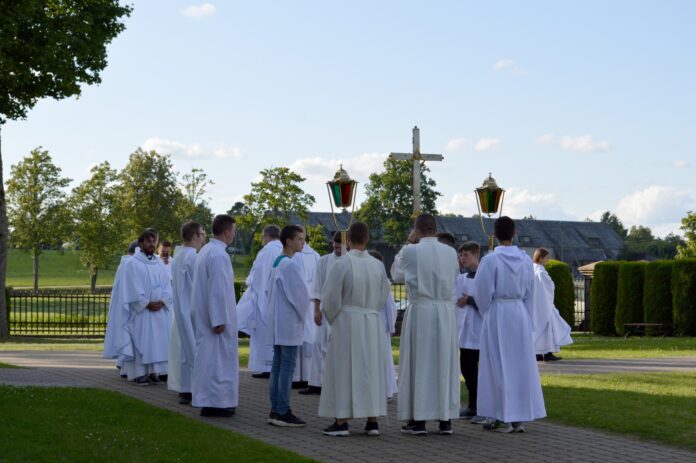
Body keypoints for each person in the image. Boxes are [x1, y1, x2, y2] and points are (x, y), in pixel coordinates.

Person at [474, 216, 546, 433]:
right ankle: (518, 417)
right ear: (513, 234)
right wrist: (528, 317)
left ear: (495, 235)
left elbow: (481, 292)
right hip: (519, 312)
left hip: (498, 312)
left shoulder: (490, 261)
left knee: (497, 363)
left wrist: (488, 311)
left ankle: (502, 416)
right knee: (518, 365)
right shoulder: (525, 260)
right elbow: (531, 291)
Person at [318, 222, 390, 437]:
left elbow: (330, 299)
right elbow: (383, 294)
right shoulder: (377, 265)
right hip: (371, 320)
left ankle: (341, 422)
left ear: (348, 240)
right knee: (371, 369)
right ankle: (372, 420)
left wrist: (336, 318)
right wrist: (370, 311)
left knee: (344, 369)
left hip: (347, 320)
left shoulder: (341, 263)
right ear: (367, 239)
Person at [391, 213, 460, 436]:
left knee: (419, 364)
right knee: (444, 363)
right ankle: (445, 419)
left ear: (417, 230)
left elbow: (396, 273)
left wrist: (409, 242)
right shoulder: (450, 253)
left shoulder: (412, 251)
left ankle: (418, 420)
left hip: (421, 309)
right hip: (445, 311)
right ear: (436, 229)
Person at [191, 215, 239, 417]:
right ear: (227, 231)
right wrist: (219, 319)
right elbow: (218, 289)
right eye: (234, 231)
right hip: (215, 319)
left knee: (209, 359)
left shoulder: (206, 251)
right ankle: (216, 402)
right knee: (217, 361)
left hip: (205, 315)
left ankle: (211, 400)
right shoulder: (218, 255)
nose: (234, 235)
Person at [267, 225, 310, 427]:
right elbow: (300, 296)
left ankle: (275, 408)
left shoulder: (278, 262)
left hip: (278, 323)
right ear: (288, 241)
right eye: (299, 239)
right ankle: (282, 410)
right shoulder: (290, 265)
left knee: (278, 365)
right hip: (289, 322)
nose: (303, 242)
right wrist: (306, 316)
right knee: (287, 365)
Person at [121, 229, 173, 385]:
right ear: (141, 242)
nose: (152, 244)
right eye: (149, 241)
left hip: (158, 311)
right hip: (142, 312)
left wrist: (163, 301)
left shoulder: (158, 263)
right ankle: (138, 373)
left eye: (154, 241)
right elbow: (131, 287)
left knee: (156, 343)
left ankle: (153, 371)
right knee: (140, 342)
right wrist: (146, 303)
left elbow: (167, 285)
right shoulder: (132, 263)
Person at [301, 231, 344, 395]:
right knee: (319, 344)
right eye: (335, 244)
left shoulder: (350, 261)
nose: (338, 247)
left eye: (341, 245)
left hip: (343, 309)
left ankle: (334, 384)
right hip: (326, 309)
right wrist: (316, 309)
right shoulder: (324, 261)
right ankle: (316, 383)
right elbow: (317, 287)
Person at [237, 225, 282, 378]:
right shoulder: (284, 249)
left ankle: (266, 367)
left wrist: (249, 282)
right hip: (278, 301)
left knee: (262, 335)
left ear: (267, 236)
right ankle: (272, 367)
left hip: (263, 299)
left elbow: (256, 276)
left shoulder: (266, 251)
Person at [169, 221, 206, 404]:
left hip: (181, 310)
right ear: (194, 236)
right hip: (192, 309)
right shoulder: (193, 257)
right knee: (194, 350)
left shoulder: (179, 257)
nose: (204, 238)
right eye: (202, 234)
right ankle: (194, 389)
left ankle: (186, 388)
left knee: (186, 349)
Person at [455, 241, 485, 424]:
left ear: (475, 255)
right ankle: (473, 404)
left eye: (466, 255)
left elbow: (487, 300)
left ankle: (484, 406)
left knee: (484, 372)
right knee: (467, 370)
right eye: (460, 255)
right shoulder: (461, 278)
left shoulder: (484, 276)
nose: (462, 259)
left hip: (481, 330)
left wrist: (470, 300)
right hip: (465, 331)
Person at [291, 225, 320, 388]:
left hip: (302, 300)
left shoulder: (295, 256)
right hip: (311, 300)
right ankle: (307, 375)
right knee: (307, 336)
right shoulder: (315, 255)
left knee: (303, 336)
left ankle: (297, 376)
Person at [532, 247, 573, 362]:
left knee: (537, 328)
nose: (548, 260)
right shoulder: (540, 271)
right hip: (544, 304)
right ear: (540, 258)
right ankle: (547, 353)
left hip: (535, 305)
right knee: (548, 328)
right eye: (546, 258)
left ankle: (538, 353)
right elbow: (548, 285)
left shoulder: (531, 269)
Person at [367, 249, 398, 400]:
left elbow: (390, 306)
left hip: (380, 324)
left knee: (383, 358)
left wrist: (391, 326)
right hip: (369, 323)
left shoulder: (383, 281)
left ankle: (386, 389)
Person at [103, 240, 137, 372]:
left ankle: (122, 361)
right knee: (127, 333)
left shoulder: (124, 264)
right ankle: (123, 361)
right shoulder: (128, 264)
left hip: (123, 302)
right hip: (127, 303)